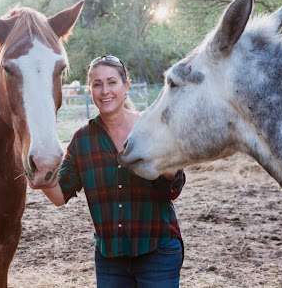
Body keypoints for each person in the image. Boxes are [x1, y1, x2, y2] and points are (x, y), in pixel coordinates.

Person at [38, 55, 186, 287]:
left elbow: (174, 189)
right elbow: (59, 196)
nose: (105, 90)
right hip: (110, 259)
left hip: (157, 251)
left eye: (111, 82)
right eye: (97, 84)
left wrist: (168, 166)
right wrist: (41, 178)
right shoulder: (82, 140)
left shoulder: (151, 128)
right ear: (90, 91)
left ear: (125, 87)